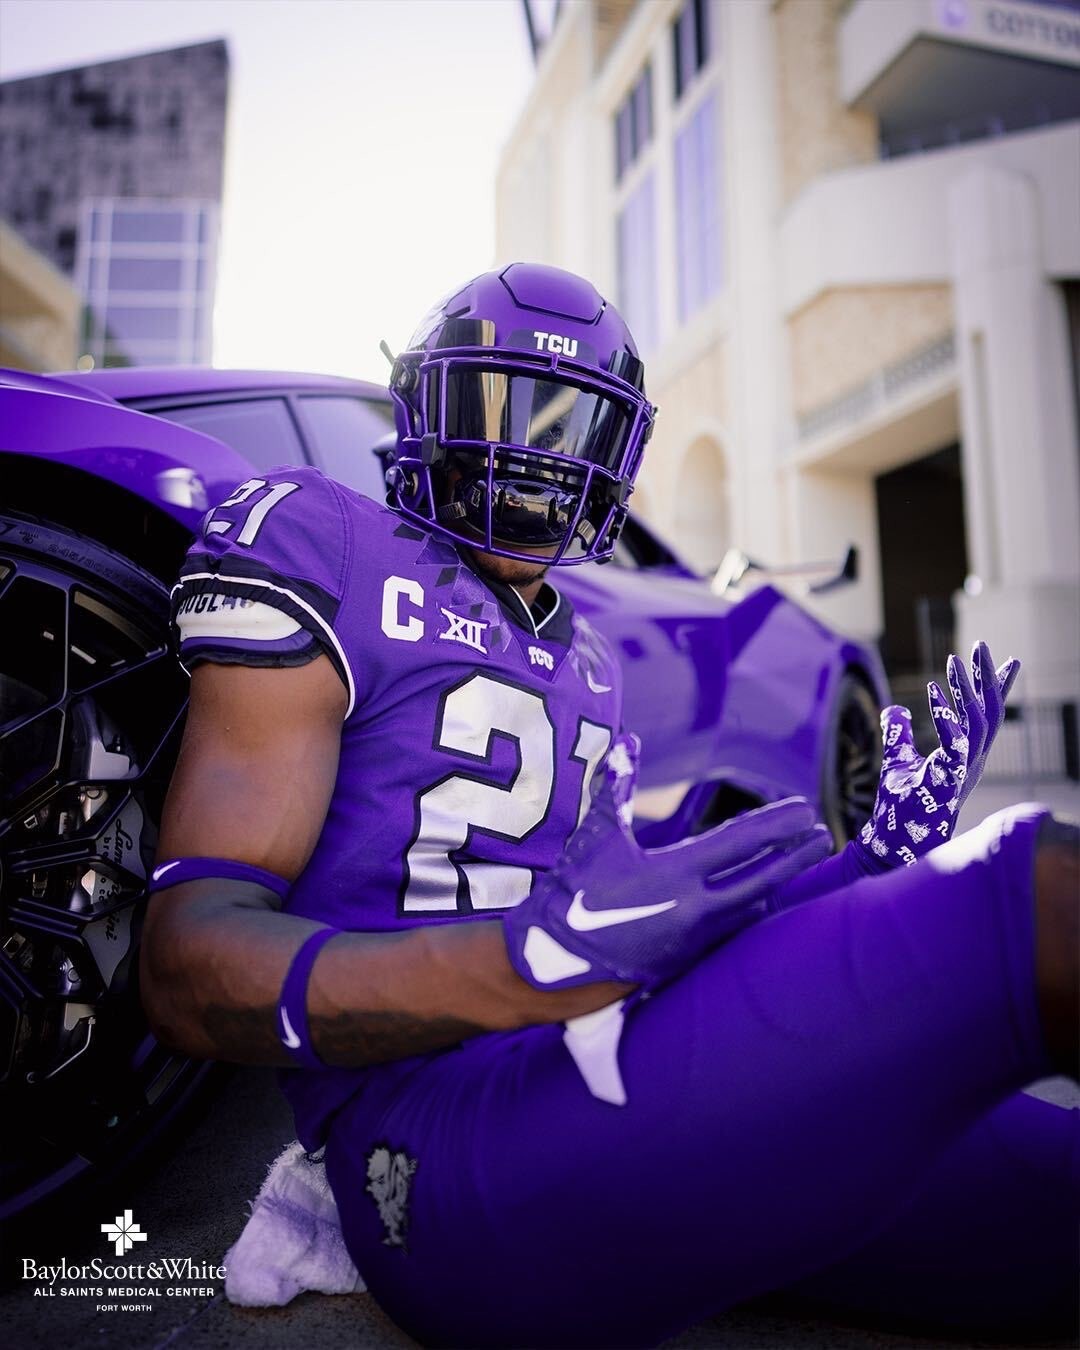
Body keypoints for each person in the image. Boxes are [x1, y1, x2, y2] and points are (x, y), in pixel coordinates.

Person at [141, 264, 1078, 1348]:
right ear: (426, 408)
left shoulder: (584, 655)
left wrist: (863, 867)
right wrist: (511, 967)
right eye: (504, 406)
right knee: (1025, 896)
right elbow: (184, 963)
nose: (541, 456)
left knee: (1048, 1218)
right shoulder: (327, 540)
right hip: (434, 1148)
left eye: (575, 424)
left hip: (592, 1079)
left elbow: (625, 932)